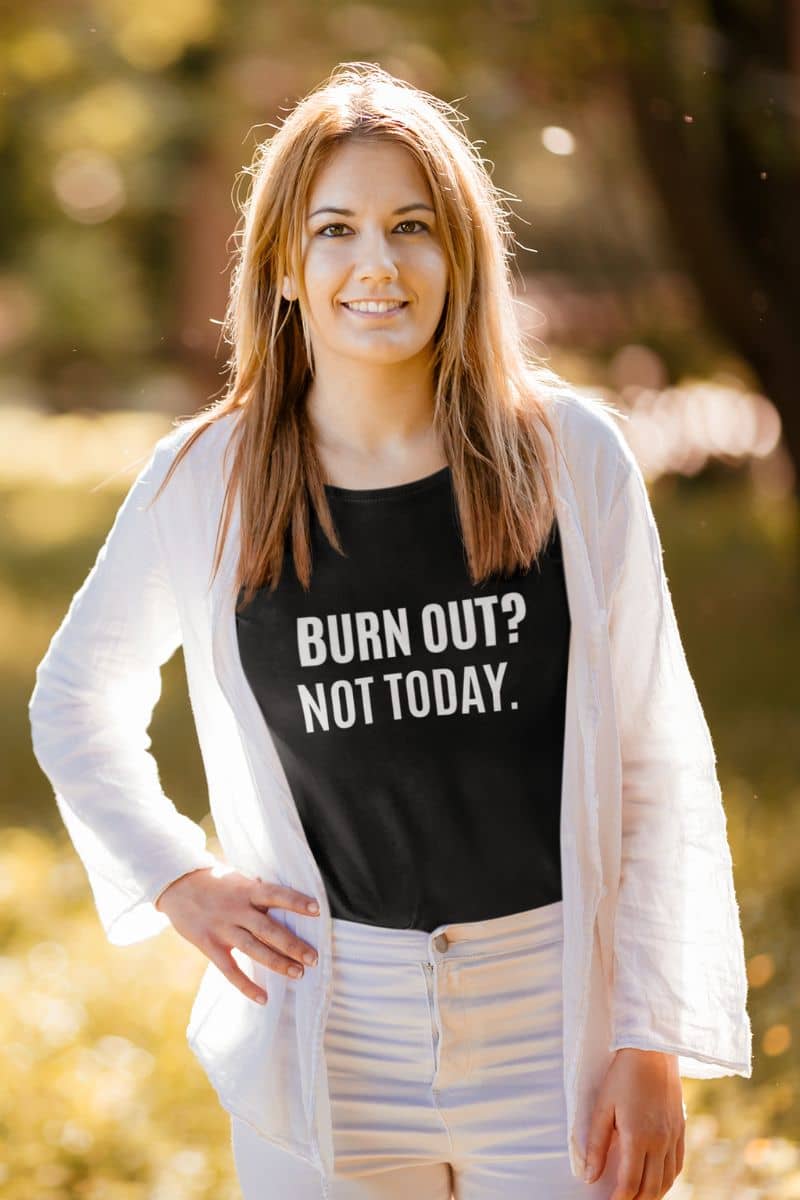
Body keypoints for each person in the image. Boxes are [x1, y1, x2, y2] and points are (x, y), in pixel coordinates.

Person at [28, 63, 752, 1200]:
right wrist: (175, 878)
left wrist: (646, 1033)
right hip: (325, 1021)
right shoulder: (207, 479)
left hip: (550, 1019)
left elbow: (653, 762)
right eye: (335, 229)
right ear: (281, 264)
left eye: (412, 225)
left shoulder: (570, 459)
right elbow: (75, 699)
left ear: (461, 252)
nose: (376, 262)